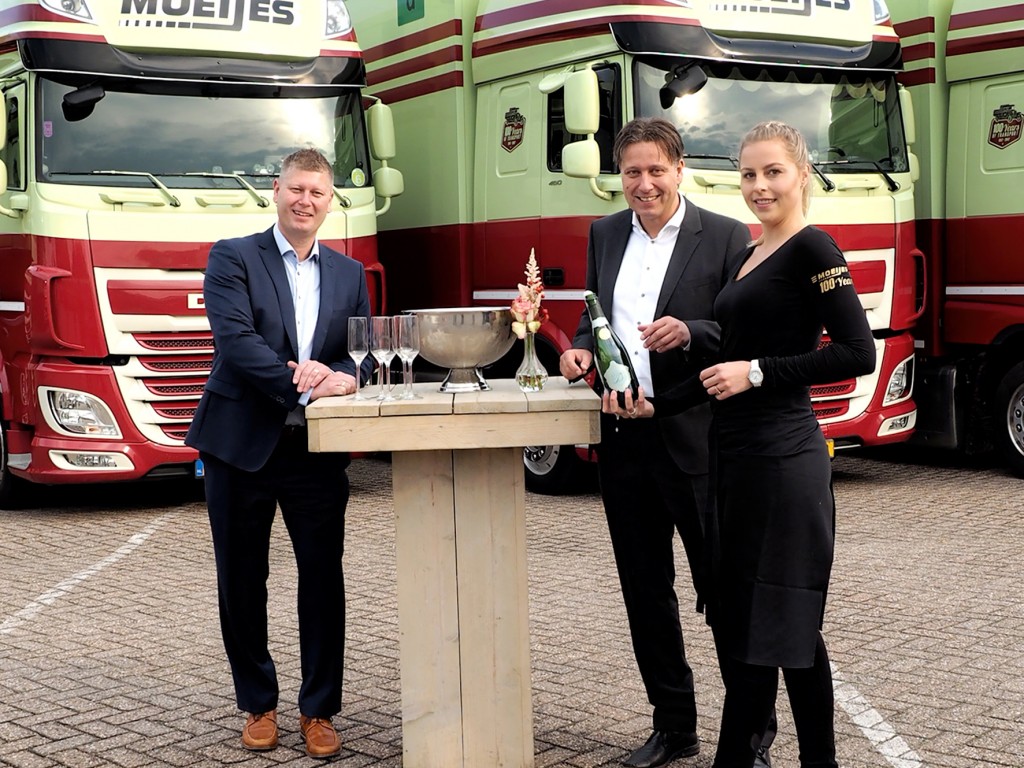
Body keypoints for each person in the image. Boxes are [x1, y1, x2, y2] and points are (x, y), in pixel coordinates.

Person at [609, 121, 876, 767]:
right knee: (766, 627)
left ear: (802, 174)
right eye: (749, 174)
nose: (760, 186)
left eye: (773, 172)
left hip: (784, 463)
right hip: (737, 464)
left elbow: (856, 352)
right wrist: (658, 406)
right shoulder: (755, 252)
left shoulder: (814, 248)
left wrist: (757, 372)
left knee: (783, 626)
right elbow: (722, 362)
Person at [560, 118, 773, 768]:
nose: (644, 183)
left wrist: (692, 331)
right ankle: (674, 727)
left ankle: (750, 738)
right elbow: (594, 320)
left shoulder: (727, 236)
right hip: (624, 441)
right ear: (619, 177)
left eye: (656, 170)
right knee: (645, 593)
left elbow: (745, 332)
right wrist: (578, 351)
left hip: (699, 442)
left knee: (725, 594)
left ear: (680, 170)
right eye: (632, 172)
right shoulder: (603, 234)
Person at [185, 148, 373, 759]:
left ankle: (319, 710)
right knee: (243, 580)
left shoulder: (350, 273)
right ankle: (257, 703)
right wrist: (308, 382)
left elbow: (362, 352)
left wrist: (343, 377)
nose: (305, 201)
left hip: (314, 453)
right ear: (276, 190)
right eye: (296, 189)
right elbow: (236, 342)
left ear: (330, 201)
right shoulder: (233, 256)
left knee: (323, 580)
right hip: (240, 446)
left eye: (317, 192)